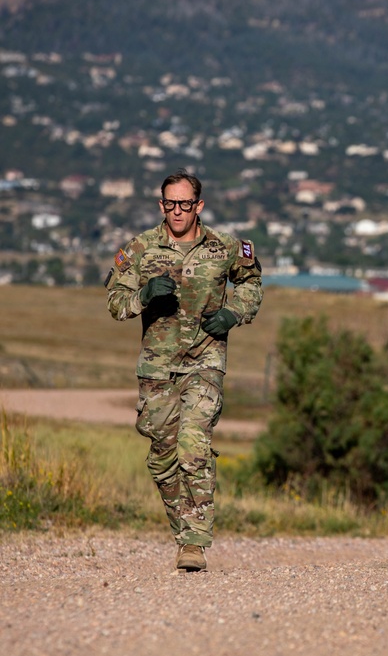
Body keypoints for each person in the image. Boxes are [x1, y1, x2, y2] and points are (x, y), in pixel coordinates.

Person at [106, 170, 263, 572]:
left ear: (199, 205)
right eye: (170, 204)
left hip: (205, 362)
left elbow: (251, 282)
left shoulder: (226, 247)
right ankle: (181, 528)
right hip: (157, 367)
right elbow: (115, 302)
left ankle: (193, 542)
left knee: (193, 445)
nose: (178, 211)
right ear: (162, 205)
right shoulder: (140, 248)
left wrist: (233, 312)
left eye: (185, 204)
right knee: (162, 457)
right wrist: (143, 294)